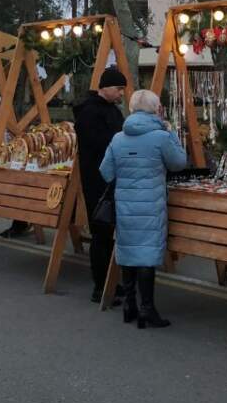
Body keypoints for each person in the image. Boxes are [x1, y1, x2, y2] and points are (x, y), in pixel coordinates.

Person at [99, 88, 188, 328]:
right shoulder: (161, 136)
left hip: (126, 206)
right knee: (147, 255)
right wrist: (172, 133)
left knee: (128, 252)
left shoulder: (118, 138)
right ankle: (148, 309)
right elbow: (180, 163)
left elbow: (105, 171)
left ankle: (130, 305)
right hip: (151, 205)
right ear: (156, 109)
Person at [74, 66, 127, 303]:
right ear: (105, 87)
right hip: (97, 180)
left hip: (110, 178)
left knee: (108, 235)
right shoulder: (89, 112)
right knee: (101, 233)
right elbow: (97, 143)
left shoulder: (111, 110)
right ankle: (101, 286)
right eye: (119, 89)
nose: (121, 94)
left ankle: (112, 282)